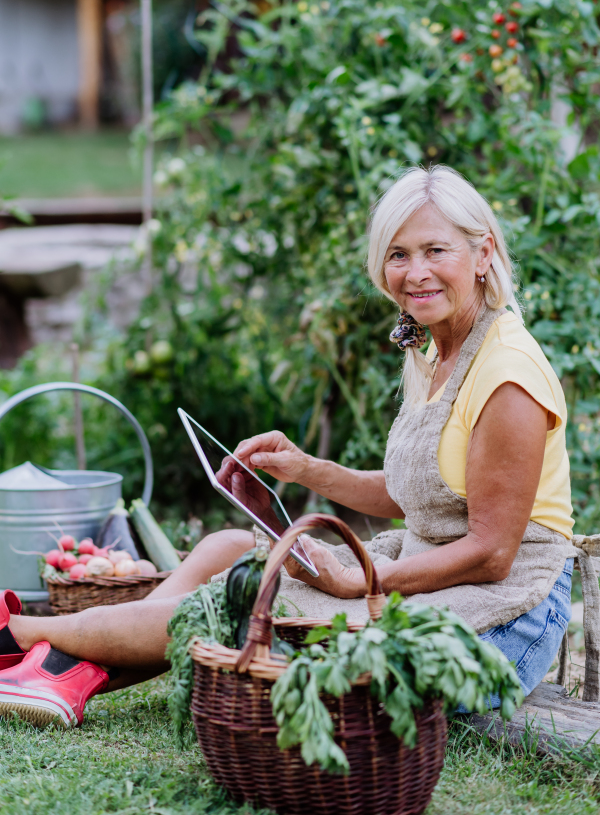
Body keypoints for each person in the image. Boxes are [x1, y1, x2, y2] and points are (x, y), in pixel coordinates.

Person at [0, 165, 574, 728]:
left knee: (249, 602)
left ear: (483, 254)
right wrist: (305, 469)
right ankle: (59, 670)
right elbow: (423, 496)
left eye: (435, 251)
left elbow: (493, 554)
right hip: (433, 565)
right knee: (227, 550)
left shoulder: (507, 377)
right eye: (398, 254)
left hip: (506, 615)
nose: (415, 272)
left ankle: (23, 639)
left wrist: (358, 582)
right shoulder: (438, 350)